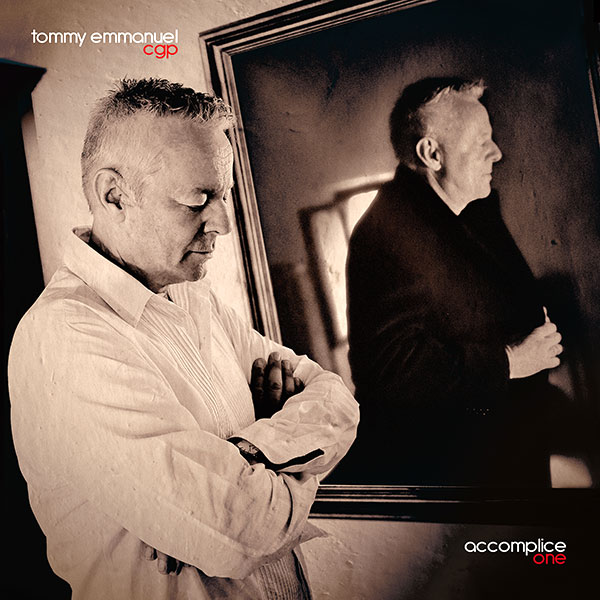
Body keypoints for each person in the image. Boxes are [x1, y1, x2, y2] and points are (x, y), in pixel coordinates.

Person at [8, 78, 359, 599]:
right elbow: (244, 530)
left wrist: (246, 454)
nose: (223, 222)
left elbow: (336, 397)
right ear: (114, 195)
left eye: (224, 195)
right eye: (198, 199)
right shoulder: (64, 336)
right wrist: (291, 451)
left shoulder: (196, 300)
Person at [342, 77, 563, 486]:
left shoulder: (472, 209)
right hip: (452, 478)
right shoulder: (386, 232)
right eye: (481, 142)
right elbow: (390, 368)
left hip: (506, 454)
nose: (497, 153)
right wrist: (511, 362)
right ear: (432, 153)